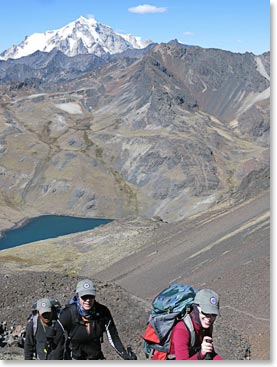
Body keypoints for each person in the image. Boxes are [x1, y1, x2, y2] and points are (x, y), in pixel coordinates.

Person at [49, 279, 137, 360]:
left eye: (91, 296)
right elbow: (56, 339)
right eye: (84, 297)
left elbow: (113, 338)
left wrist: (126, 356)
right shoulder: (68, 314)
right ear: (78, 296)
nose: (88, 300)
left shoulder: (103, 312)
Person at [168, 288, 223, 360]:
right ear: (196, 309)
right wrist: (201, 354)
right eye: (205, 313)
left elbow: (210, 353)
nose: (209, 318)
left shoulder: (206, 325)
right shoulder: (181, 330)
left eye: (213, 314)